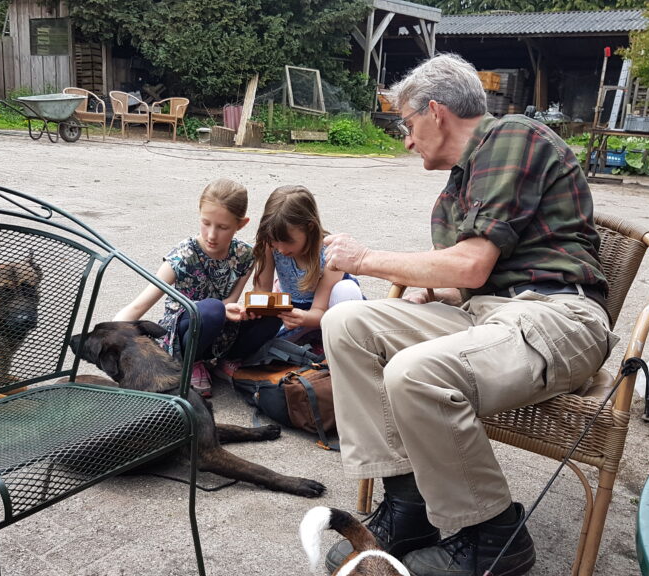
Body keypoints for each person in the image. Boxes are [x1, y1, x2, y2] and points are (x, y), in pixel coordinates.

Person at [319, 53, 619, 576]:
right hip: (488, 317)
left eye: (406, 124)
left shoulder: (513, 138)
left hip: (557, 317)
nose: (405, 140)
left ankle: (494, 538)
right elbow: (475, 281)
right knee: (347, 324)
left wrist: (364, 259)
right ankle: (410, 508)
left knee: (415, 372)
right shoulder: (455, 190)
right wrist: (435, 297)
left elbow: (473, 266)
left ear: (435, 111)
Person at [113, 178, 281, 397]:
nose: (211, 235)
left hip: (220, 330)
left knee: (272, 315)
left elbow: (231, 301)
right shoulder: (184, 255)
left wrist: (241, 311)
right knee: (212, 309)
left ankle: (226, 362)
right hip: (184, 336)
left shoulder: (244, 255)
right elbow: (139, 305)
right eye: (206, 223)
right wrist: (111, 341)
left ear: (241, 224)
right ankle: (191, 363)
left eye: (223, 227)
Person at [250, 185, 363, 344]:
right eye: (275, 241)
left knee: (346, 290)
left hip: (325, 312)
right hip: (293, 312)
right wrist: (257, 309)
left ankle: (342, 345)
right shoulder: (269, 244)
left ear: (309, 227)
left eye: (288, 241)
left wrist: (304, 318)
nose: (281, 249)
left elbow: (320, 310)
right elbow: (262, 290)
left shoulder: (330, 253)